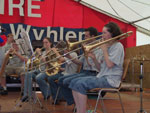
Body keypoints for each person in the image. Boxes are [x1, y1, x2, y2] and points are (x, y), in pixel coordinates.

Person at [69, 22, 124, 113]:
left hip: (111, 80)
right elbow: (100, 69)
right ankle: (79, 110)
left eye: (104, 33)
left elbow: (110, 65)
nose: (102, 35)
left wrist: (105, 50)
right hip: (102, 76)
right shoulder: (106, 46)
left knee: (79, 84)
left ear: (112, 33)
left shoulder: (118, 46)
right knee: (73, 82)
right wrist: (94, 59)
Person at [58, 27, 102, 106]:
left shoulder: (99, 48)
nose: (84, 38)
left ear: (93, 36)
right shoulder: (86, 47)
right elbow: (80, 62)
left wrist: (90, 56)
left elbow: (95, 66)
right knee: (61, 80)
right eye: (84, 36)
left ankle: (77, 105)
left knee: (67, 81)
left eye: (86, 36)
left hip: (93, 73)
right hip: (84, 72)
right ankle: (74, 102)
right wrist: (69, 57)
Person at [22, 37, 63, 101]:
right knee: (27, 74)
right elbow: (33, 59)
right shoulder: (43, 52)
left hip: (49, 70)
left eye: (46, 42)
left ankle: (47, 92)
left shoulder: (53, 52)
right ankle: (27, 95)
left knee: (38, 78)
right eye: (43, 42)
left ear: (50, 43)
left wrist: (40, 54)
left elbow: (48, 63)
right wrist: (34, 53)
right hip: (40, 69)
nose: (45, 44)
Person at [47, 38, 79, 104]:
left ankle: (58, 98)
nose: (66, 46)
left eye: (68, 44)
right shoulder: (71, 53)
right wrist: (60, 69)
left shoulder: (73, 54)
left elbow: (61, 59)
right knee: (52, 77)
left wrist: (55, 51)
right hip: (66, 72)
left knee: (50, 79)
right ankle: (59, 97)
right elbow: (70, 66)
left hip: (69, 74)